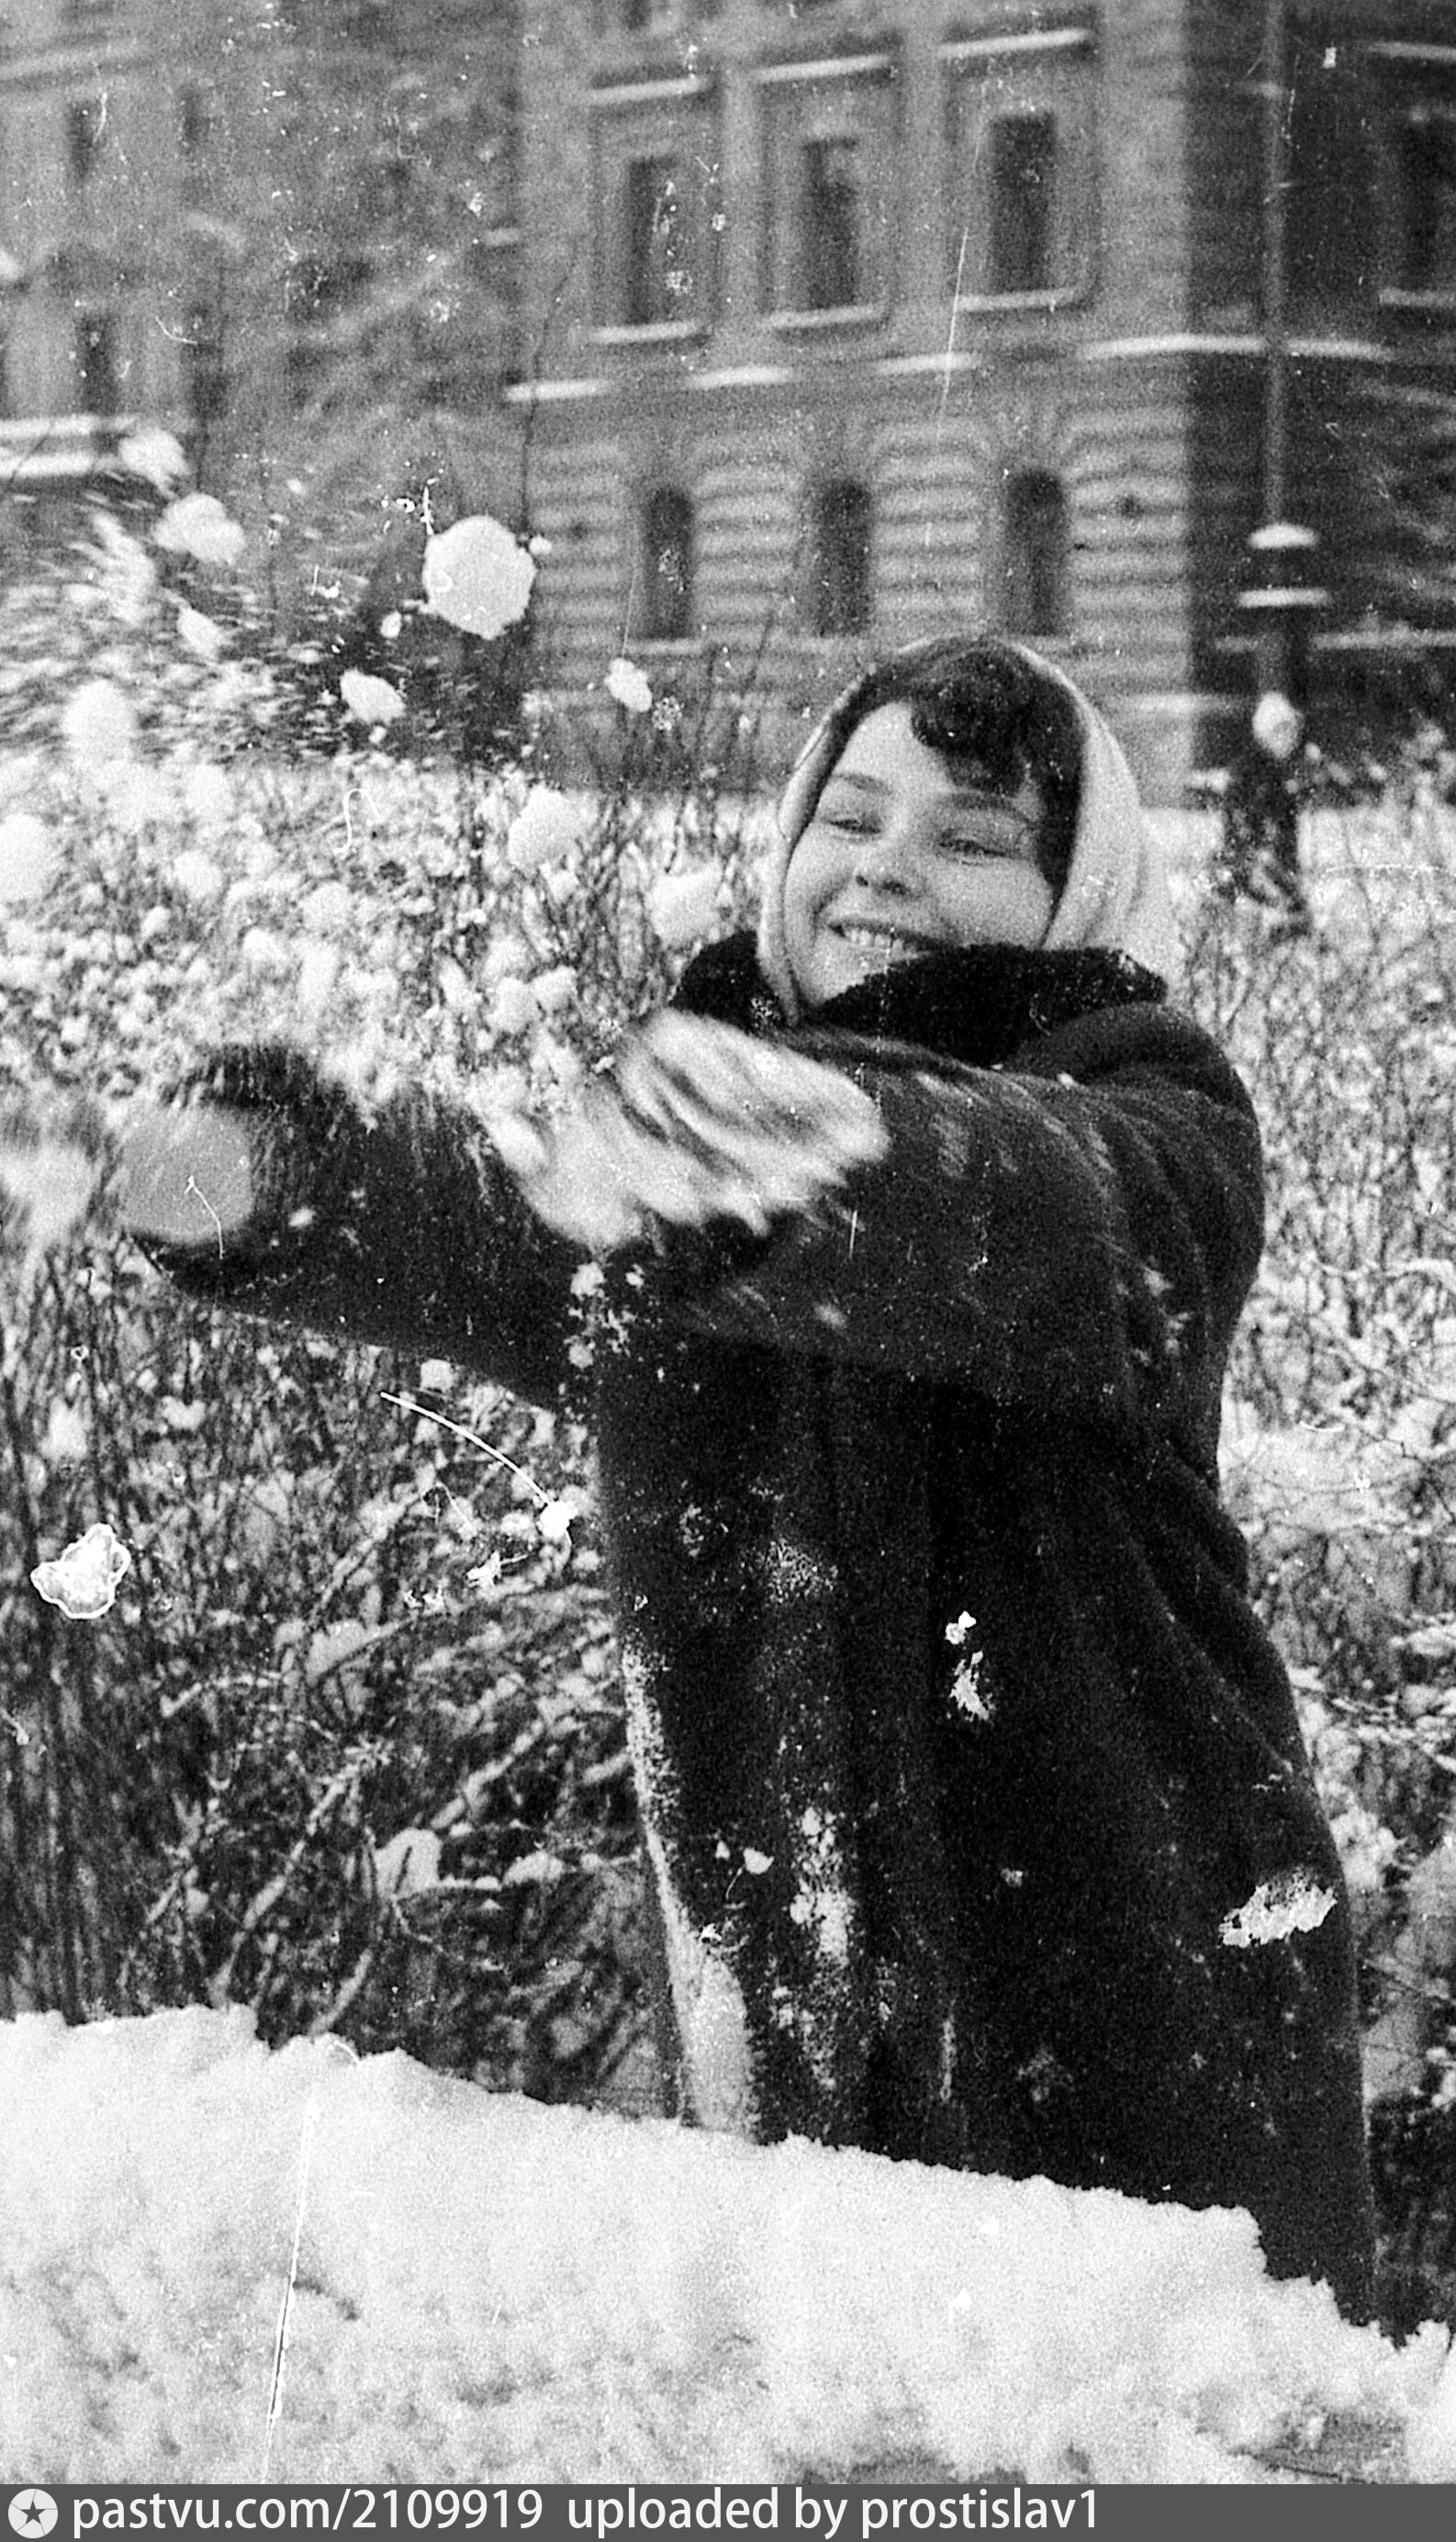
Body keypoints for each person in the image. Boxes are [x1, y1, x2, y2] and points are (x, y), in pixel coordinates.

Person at [118, 636, 1377, 2321]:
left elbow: (1019, 1208)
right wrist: (258, 1175)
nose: (886, 866)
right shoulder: (665, 1165)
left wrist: (759, 1140)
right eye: (848, 817)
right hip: (792, 2038)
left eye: (971, 836)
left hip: (1146, 2048)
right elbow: (483, 1214)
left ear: (1078, 893)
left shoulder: (1158, 1122)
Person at [1215, 688, 1312, 932]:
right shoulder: (1253, 775)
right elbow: (1244, 830)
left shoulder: (1276, 774)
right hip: (1256, 874)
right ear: (1266, 735)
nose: (1290, 740)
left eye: (1292, 733)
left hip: (1268, 871)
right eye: (1282, 732)